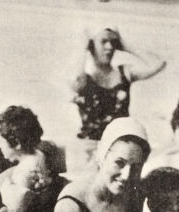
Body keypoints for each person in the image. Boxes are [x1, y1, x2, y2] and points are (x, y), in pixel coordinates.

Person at [71, 27, 166, 157]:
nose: (109, 47)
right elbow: (74, 81)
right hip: (89, 149)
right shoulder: (83, 79)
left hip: (120, 147)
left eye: (113, 42)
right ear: (91, 44)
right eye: (103, 41)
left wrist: (127, 47)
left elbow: (159, 63)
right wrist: (83, 49)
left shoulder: (124, 73)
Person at [0, 105, 64, 212]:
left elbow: (15, 209)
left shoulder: (23, 172)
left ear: (16, 143)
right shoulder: (41, 154)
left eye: (1, 142)